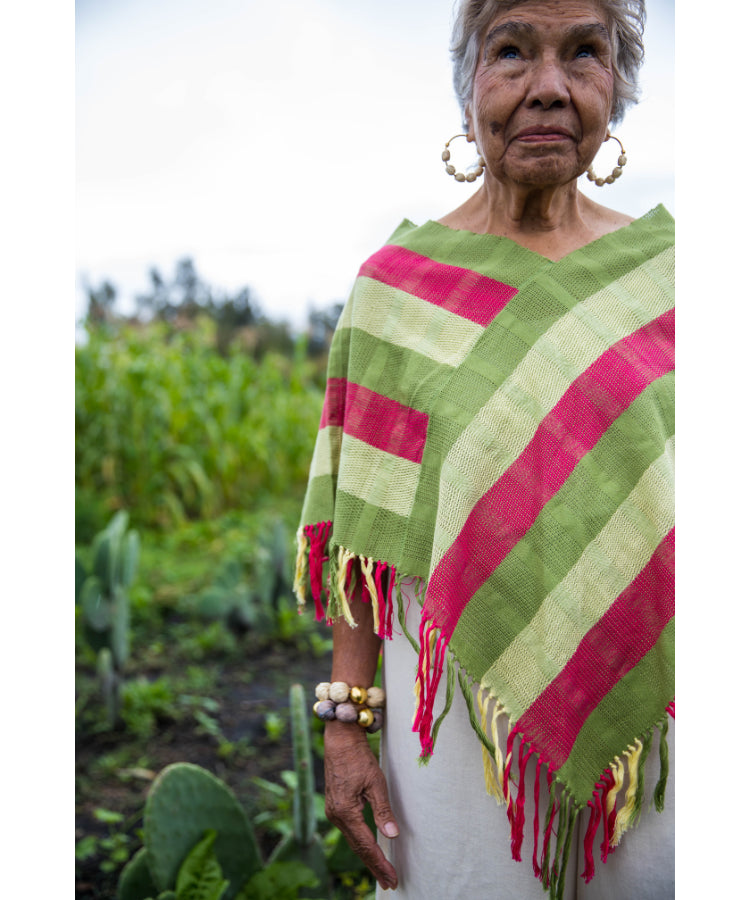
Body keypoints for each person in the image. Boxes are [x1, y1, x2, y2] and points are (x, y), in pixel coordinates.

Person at [294, 1, 674, 898]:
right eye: (512, 52)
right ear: (468, 84)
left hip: (656, 717)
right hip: (458, 735)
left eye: (584, 53)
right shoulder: (396, 294)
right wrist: (346, 723)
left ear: (617, 87)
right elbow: (362, 538)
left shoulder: (672, 276)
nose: (548, 87)